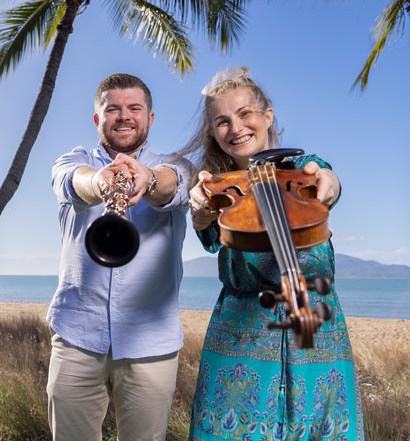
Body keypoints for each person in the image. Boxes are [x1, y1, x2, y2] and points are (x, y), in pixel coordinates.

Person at [185, 67, 364, 440]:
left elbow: (328, 180)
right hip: (240, 331)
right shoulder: (215, 187)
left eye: (245, 113)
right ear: (214, 134)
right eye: (222, 121)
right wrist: (202, 211)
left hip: (314, 327)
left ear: (267, 116)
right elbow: (210, 236)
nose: (235, 128)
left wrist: (328, 185)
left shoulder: (303, 170)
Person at [47, 73, 194, 441]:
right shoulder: (75, 159)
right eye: (112, 109)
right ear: (97, 119)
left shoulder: (176, 165)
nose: (124, 116)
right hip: (77, 335)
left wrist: (146, 179)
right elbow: (71, 180)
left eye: (134, 108)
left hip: (151, 341)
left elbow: (174, 183)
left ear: (151, 118)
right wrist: (100, 183)